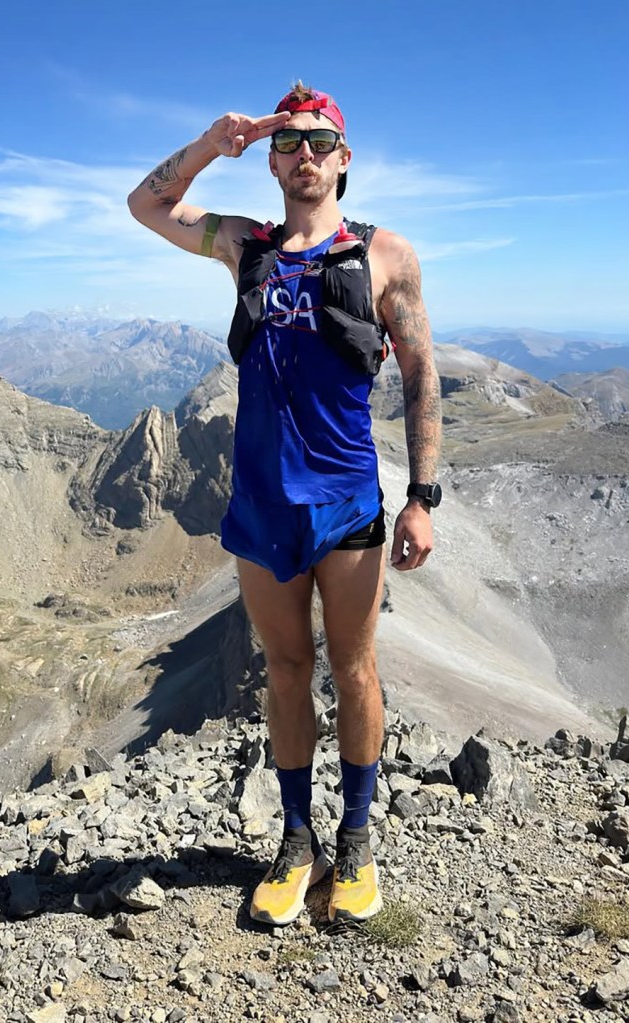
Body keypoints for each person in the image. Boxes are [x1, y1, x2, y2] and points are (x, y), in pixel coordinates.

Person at [128, 82, 442, 927]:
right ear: (272, 159)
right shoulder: (244, 247)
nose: (303, 152)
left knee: (355, 668)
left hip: (347, 510)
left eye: (318, 140)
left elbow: (419, 373)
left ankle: (358, 838)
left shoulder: (383, 256)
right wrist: (210, 140)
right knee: (288, 672)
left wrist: (422, 497)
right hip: (263, 510)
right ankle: (296, 840)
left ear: (344, 159)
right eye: (289, 141)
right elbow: (145, 203)